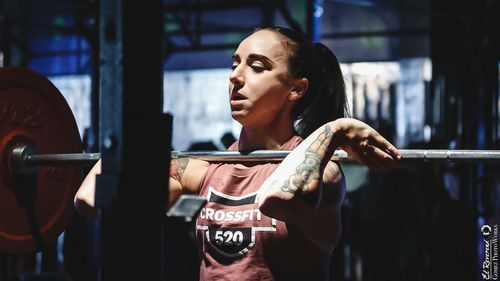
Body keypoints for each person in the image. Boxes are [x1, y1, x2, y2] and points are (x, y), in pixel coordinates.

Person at [75, 26, 401, 280]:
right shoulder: (206, 170)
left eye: (257, 67)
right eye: (235, 63)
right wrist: (132, 132)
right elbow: (91, 199)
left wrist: (333, 131)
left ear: (296, 89)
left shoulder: (324, 172)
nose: (235, 76)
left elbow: (279, 200)